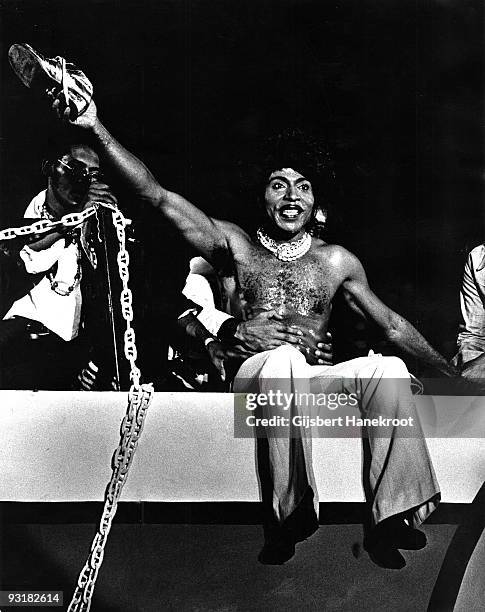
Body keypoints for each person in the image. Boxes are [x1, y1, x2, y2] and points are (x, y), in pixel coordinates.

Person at [22, 47, 464, 567]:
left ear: (316, 200)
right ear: (263, 196)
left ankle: (395, 516)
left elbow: (389, 324)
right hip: (254, 385)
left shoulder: (337, 260)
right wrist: (95, 125)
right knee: (281, 360)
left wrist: (449, 374)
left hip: (310, 390)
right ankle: (291, 514)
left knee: (386, 369)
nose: (292, 196)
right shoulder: (232, 244)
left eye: (303, 186)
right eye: (279, 184)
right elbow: (157, 196)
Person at [0, 138, 118, 389]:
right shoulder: (15, 212)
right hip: (15, 355)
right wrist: (69, 223)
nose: (83, 179)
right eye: (75, 169)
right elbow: (20, 260)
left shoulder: (96, 227)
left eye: (92, 174)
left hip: (69, 361)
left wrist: (97, 357)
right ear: (49, 168)